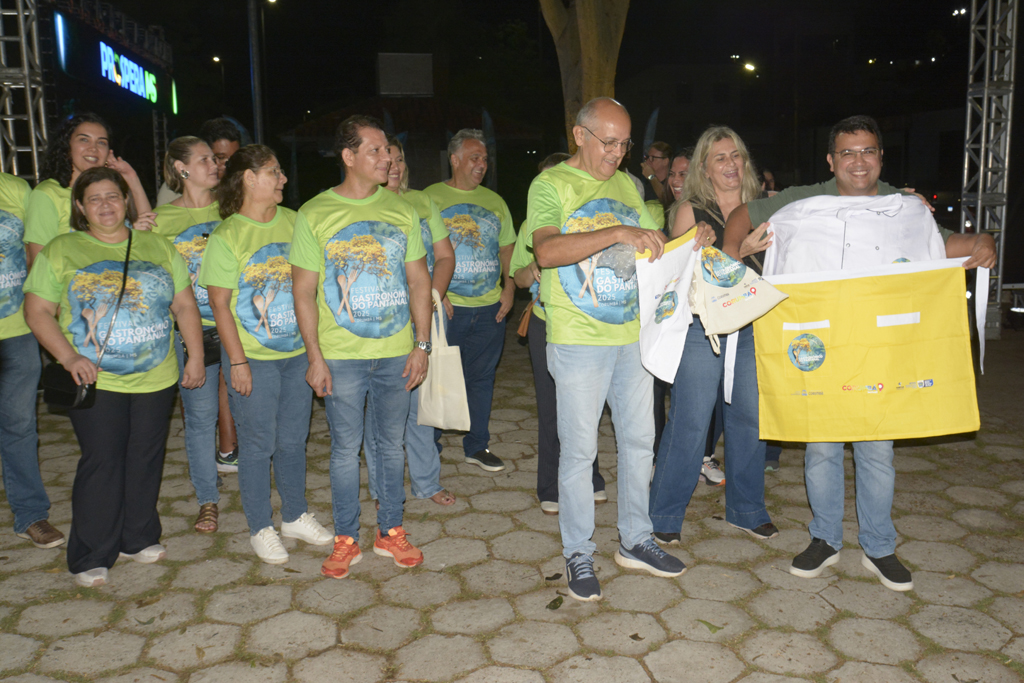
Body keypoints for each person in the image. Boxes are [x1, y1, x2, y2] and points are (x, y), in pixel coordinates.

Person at [723, 114, 997, 592]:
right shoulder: (804, 200)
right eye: (847, 152)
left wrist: (981, 242)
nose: (858, 161)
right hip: (821, 348)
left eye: (867, 150)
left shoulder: (902, 206)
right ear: (832, 161)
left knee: (877, 452)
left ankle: (879, 545)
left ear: (881, 157)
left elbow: (938, 245)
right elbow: (744, 212)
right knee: (821, 450)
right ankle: (825, 539)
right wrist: (733, 250)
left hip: (878, 352)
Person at [526, 98, 708, 601]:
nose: (617, 153)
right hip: (579, 340)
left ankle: (635, 540)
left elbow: (655, 245)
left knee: (639, 442)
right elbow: (546, 250)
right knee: (579, 452)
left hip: (632, 336)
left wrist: (690, 239)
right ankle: (578, 552)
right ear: (579, 135)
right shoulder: (551, 185)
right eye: (608, 142)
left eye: (625, 144)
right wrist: (618, 232)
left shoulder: (630, 186)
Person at [24, 167, 205, 587]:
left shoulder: (158, 246)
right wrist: (69, 357)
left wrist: (195, 356)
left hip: (156, 375)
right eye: (94, 198)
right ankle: (91, 553)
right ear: (80, 207)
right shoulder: (62, 249)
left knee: (145, 457)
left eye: (112, 196)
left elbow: (184, 306)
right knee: (103, 461)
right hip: (96, 379)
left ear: (125, 201)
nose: (105, 205)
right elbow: (37, 311)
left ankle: (138, 536)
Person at [291, 115, 432, 580]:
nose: (387, 157)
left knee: (391, 447)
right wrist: (315, 357)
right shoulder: (315, 213)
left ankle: (390, 530)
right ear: (348, 156)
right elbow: (303, 291)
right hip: (341, 357)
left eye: (387, 150)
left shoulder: (402, 211)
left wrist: (422, 344)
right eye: (376, 150)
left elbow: (419, 280)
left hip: (396, 352)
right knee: (344, 450)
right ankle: (346, 537)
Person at [199, 144, 333, 563]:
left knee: (293, 440)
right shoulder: (228, 235)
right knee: (257, 445)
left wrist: (316, 352)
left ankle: (294, 515)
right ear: (249, 178)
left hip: (297, 353)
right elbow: (219, 304)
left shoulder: (296, 222)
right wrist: (237, 361)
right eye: (275, 171)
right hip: (253, 358)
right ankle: (260, 526)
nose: (283, 178)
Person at [650, 126, 778, 550]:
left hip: (753, 325)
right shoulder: (691, 211)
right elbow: (677, 275)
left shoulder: (765, 206)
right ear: (704, 167)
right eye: (720, 157)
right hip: (701, 328)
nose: (730, 163)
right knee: (691, 419)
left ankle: (747, 510)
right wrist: (725, 248)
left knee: (750, 420)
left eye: (736, 155)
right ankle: (664, 513)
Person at [510, 152, 606, 515]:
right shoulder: (530, 227)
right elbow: (517, 277)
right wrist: (531, 267)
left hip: (588, 324)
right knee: (551, 406)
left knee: (588, 408)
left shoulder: (592, 220)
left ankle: (592, 478)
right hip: (546, 324)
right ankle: (549, 485)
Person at [363, 136, 457, 506]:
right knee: (381, 408)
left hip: (422, 314)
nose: (394, 165)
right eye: (386, 157)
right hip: (381, 317)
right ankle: (382, 487)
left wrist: (434, 295)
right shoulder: (363, 204)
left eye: (399, 158)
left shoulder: (422, 202)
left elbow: (445, 256)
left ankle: (426, 482)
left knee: (420, 403)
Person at [424, 130, 517, 473]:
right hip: (448, 308)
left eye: (485, 159)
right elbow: (418, 250)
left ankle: (477, 446)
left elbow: (508, 248)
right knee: (437, 377)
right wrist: (439, 292)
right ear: (454, 159)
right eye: (474, 158)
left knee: (481, 379)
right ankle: (428, 446)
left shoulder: (495, 201)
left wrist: (509, 288)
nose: (482, 164)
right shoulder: (429, 198)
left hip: (490, 308)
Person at [153, 137, 228, 533]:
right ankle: (207, 499)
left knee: (250, 412)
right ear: (181, 169)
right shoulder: (160, 221)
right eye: (204, 160)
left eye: (214, 159)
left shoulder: (231, 209)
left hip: (239, 328)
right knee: (200, 417)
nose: (214, 165)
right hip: (191, 333)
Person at [0, 171, 64, 549]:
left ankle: (30, 514)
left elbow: (35, 254)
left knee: (20, 425)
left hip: (16, 331)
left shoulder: (15, 189)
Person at [25, 113, 152, 266]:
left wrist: (132, 179)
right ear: (66, 146)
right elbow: (40, 262)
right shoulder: (47, 194)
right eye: (84, 140)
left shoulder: (111, 191)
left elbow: (149, 232)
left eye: (102, 142)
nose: (93, 148)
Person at [156, 118, 243, 207]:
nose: (229, 164)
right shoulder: (172, 192)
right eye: (221, 157)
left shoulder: (242, 184)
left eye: (235, 157)